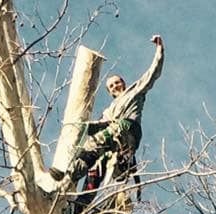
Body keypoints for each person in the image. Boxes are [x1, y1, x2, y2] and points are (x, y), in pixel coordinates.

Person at [49, 35, 164, 195]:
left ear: (123, 83)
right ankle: (81, 200)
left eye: (117, 82)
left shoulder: (135, 92)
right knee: (96, 166)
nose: (115, 86)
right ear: (109, 92)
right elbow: (101, 124)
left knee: (93, 144)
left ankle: (67, 171)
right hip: (115, 139)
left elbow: (153, 73)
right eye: (111, 85)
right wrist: (81, 126)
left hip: (127, 128)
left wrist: (159, 49)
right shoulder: (108, 111)